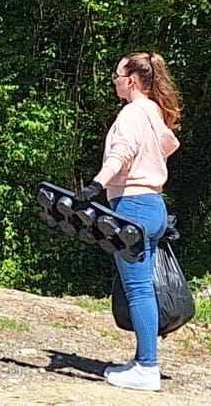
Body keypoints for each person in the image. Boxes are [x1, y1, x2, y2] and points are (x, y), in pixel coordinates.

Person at [75, 52, 183, 392]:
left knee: (137, 290)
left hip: (132, 206)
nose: (115, 82)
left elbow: (122, 153)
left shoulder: (132, 113)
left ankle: (147, 367)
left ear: (132, 81)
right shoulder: (153, 112)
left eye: (117, 76)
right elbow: (170, 144)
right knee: (142, 289)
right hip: (154, 206)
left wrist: (96, 185)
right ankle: (142, 360)